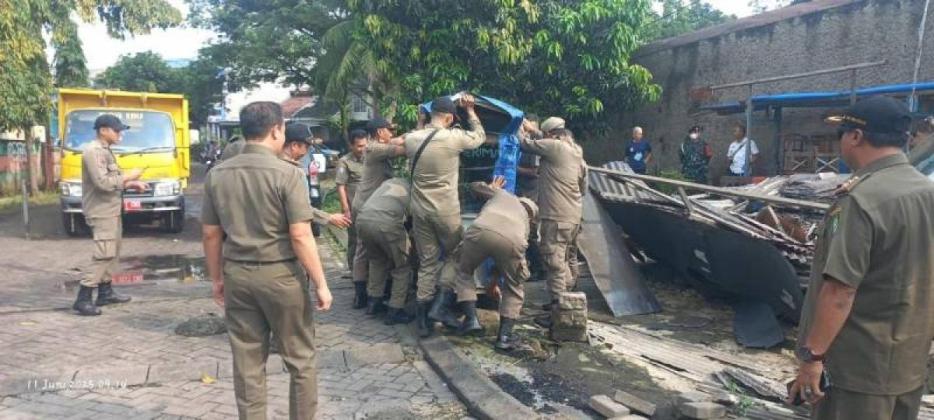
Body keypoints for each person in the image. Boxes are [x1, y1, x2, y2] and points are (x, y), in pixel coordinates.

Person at [787, 97, 934, 420]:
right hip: (909, 362)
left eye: (842, 133)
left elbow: (840, 292)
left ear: (855, 137)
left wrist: (813, 358)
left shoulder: (862, 199)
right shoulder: (925, 191)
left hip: (858, 371)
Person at [201, 101, 332, 420]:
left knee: (247, 363)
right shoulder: (287, 173)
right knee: (300, 360)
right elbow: (301, 235)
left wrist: (216, 279)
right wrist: (321, 283)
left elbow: (211, 235)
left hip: (239, 277)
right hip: (282, 277)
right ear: (276, 130)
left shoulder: (217, 175)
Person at [403, 94, 486, 338]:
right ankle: (440, 306)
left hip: (419, 210)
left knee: (427, 261)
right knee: (457, 253)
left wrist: (420, 122)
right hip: (446, 210)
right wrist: (470, 112)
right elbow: (480, 137)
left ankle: (421, 321)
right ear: (450, 118)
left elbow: (416, 134)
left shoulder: (411, 139)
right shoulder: (454, 138)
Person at [73, 114, 148, 316]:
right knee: (103, 253)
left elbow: (111, 179)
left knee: (113, 252)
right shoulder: (93, 151)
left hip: (111, 210)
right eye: (117, 130)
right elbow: (103, 183)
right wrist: (129, 176)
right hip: (101, 211)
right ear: (103, 130)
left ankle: (105, 292)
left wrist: (131, 184)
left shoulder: (105, 151)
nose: (120, 135)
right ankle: (83, 298)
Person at [453, 177, 538, 351]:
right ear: (531, 215)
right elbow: (508, 259)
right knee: (514, 287)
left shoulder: (503, 195)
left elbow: (474, 185)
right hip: (512, 240)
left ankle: (471, 320)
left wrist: (492, 187)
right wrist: (496, 280)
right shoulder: (526, 224)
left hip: (480, 229)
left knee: (464, 272)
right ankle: (504, 338)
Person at [519, 120, 587, 327]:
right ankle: (566, 299)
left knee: (554, 263)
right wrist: (536, 130)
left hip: (556, 217)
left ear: (553, 135)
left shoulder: (555, 146)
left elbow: (524, 144)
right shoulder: (577, 154)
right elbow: (583, 188)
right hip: (573, 216)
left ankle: (560, 313)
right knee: (566, 259)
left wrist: (519, 128)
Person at [350, 118, 406, 312]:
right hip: (369, 204)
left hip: (367, 202)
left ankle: (369, 296)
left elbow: (398, 140)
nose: (391, 134)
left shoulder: (375, 146)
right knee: (365, 251)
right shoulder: (376, 149)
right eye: (389, 130)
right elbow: (404, 148)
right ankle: (361, 295)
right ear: (380, 131)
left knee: (370, 252)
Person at [355, 178, 414, 325]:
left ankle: (373, 303)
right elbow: (413, 221)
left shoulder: (386, 183)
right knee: (402, 267)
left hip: (362, 221)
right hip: (386, 223)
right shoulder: (412, 191)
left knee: (377, 261)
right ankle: (395, 310)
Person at [281, 123, 351, 230]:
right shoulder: (292, 172)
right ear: (294, 145)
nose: (307, 151)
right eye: (307, 147)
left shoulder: (273, 165)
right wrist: (329, 217)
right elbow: (300, 208)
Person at [517, 115, 545, 281]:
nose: (525, 131)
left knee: (531, 233)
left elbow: (535, 172)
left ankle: (539, 268)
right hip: (523, 191)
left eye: (528, 128)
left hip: (532, 194)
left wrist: (516, 169)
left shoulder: (536, 146)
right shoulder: (522, 144)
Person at [336, 131, 366, 283]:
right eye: (359, 146)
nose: (363, 149)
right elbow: (341, 186)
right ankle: (354, 270)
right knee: (354, 239)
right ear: (352, 145)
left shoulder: (371, 158)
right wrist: (345, 209)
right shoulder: (345, 161)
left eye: (365, 145)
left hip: (370, 207)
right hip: (354, 207)